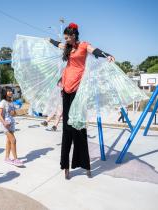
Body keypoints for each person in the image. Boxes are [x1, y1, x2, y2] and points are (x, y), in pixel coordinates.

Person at [49, 22, 115, 179]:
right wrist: (48, 40)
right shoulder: (66, 47)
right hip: (66, 87)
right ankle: (65, 166)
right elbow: (57, 44)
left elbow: (95, 51)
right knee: (67, 129)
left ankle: (85, 165)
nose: (65, 40)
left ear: (73, 36)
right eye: (65, 38)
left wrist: (107, 55)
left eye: (67, 37)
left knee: (79, 128)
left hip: (79, 89)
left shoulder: (84, 45)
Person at [0, 87, 23, 166]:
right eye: (8, 91)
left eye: (11, 91)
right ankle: (16, 159)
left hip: (11, 124)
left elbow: (14, 113)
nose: (10, 92)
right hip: (6, 125)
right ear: (5, 93)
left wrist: (14, 113)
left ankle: (7, 158)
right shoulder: (3, 102)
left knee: (9, 141)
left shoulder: (11, 102)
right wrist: (4, 122)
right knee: (13, 140)